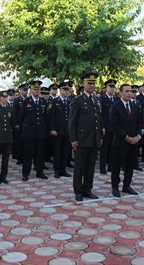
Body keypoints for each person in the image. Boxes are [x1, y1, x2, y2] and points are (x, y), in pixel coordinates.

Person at [69, 72, 104, 201]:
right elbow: (72, 122)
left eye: (93, 83)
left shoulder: (96, 99)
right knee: (79, 166)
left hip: (94, 138)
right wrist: (73, 139)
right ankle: (78, 190)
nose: (92, 86)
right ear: (83, 84)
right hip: (81, 139)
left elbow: (99, 120)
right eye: (89, 83)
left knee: (90, 166)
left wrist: (100, 136)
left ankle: (87, 188)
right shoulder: (77, 100)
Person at [110, 83, 141, 198]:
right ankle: (115, 187)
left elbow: (139, 122)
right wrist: (126, 137)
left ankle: (126, 185)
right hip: (120, 141)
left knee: (130, 165)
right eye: (127, 91)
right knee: (117, 166)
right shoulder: (116, 106)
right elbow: (114, 124)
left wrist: (138, 136)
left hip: (134, 141)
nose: (129, 93)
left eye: (131, 91)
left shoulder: (135, 106)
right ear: (120, 93)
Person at [19, 80, 48, 181]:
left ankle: (39, 172)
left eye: (38, 89)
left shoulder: (43, 101)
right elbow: (21, 116)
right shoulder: (26, 101)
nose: (37, 91)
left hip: (40, 132)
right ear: (31, 90)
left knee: (40, 154)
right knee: (28, 154)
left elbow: (45, 117)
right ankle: (25, 173)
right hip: (29, 133)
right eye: (35, 89)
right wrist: (24, 129)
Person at [47, 81, 72, 179]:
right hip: (57, 131)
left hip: (67, 131)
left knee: (65, 152)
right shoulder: (54, 101)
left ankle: (63, 169)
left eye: (68, 90)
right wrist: (52, 128)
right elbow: (51, 117)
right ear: (60, 90)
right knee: (57, 152)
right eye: (65, 90)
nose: (67, 92)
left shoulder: (70, 101)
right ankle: (57, 170)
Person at [99, 79, 117, 174]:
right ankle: (102, 167)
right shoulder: (102, 99)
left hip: (114, 127)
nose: (112, 89)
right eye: (110, 87)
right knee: (104, 149)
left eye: (113, 87)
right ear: (106, 88)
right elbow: (100, 114)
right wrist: (102, 126)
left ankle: (111, 166)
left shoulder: (116, 99)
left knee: (113, 148)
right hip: (106, 127)